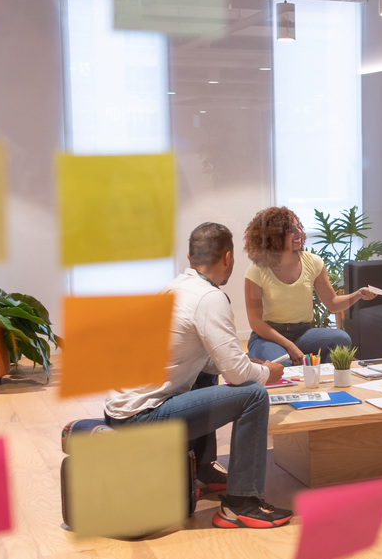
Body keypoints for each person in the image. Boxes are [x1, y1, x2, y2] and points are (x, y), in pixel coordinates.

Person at [104, 222, 294, 529]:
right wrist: (267, 372)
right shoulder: (209, 297)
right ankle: (241, 503)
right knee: (254, 394)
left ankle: (203, 469)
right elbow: (237, 374)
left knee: (208, 372)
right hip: (141, 419)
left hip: (121, 409)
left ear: (190, 256)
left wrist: (244, 362)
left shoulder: (174, 287)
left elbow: (213, 362)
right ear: (228, 258)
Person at [242, 207, 375, 365]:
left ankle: (322, 382)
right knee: (283, 364)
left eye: (299, 226)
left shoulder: (313, 262)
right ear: (273, 235)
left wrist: (358, 294)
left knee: (341, 339)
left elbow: (332, 304)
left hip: (302, 333)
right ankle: (260, 356)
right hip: (268, 336)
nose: (299, 233)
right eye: (291, 230)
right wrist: (289, 346)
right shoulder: (257, 270)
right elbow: (255, 322)